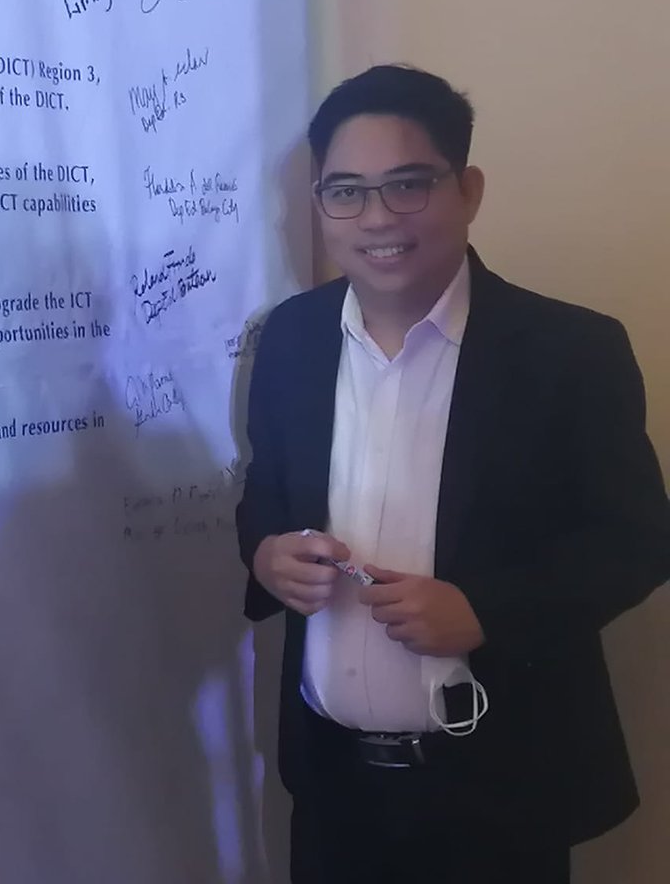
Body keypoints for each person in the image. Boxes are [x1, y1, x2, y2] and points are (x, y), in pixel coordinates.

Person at [235, 64, 670, 883]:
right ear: (319, 203)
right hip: (332, 788)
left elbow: (638, 541)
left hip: (500, 791)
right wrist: (264, 552)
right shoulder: (290, 339)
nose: (376, 218)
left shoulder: (570, 351)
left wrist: (484, 611)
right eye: (346, 192)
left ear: (467, 191)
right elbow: (264, 488)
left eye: (408, 185)